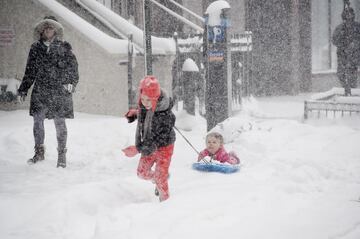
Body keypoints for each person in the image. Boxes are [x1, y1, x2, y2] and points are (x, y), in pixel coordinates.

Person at [17, 16, 79, 168]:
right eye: (46, 28)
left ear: (56, 30)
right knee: (38, 121)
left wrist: (71, 83)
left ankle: (62, 155)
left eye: (51, 28)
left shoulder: (65, 47)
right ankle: (39, 152)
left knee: (60, 123)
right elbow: (30, 71)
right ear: (42, 30)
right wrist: (23, 89)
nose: (48, 30)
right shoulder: (35, 48)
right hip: (41, 90)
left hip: (59, 91)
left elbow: (73, 68)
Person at [122, 76, 176, 202]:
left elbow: (159, 138)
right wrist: (135, 114)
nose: (145, 102)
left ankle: (165, 202)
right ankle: (159, 179)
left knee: (160, 177)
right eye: (143, 98)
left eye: (149, 100)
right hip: (148, 145)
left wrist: (138, 149)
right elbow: (146, 114)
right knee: (142, 172)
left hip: (164, 147)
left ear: (156, 98)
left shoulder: (164, 116)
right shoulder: (145, 106)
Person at [332, 6, 360, 96]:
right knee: (341, 73)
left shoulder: (357, 27)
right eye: (347, 15)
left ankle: (351, 91)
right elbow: (334, 40)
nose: (348, 17)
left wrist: (354, 44)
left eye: (350, 14)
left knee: (352, 73)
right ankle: (347, 89)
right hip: (342, 55)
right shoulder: (340, 28)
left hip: (354, 56)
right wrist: (343, 43)